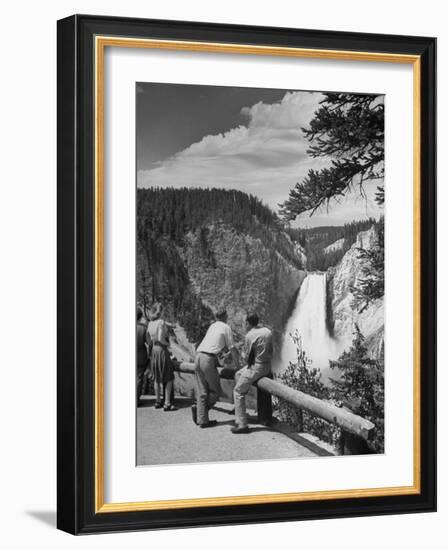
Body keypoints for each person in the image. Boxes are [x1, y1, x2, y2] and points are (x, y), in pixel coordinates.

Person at [193, 309, 240, 428]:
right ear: (225, 316)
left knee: (203, 390)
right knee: (216, 391)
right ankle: (200, 412)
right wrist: (238, 366)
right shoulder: (226, 327)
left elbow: (214, 343)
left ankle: (202, 419)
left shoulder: (212, 326)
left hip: (198, 356)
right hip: (208, 359)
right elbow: (232, 348)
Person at [231, 313, 273, 434]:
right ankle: (240, 410)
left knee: (237, 391)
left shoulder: (250, 335)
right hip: (267, 365)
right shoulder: (267, 331)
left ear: (248, 323)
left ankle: (242, 424)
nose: (244, 325)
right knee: (238, 374)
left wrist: (240, 351)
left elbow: (246, 357)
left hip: (256, 368)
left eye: (245, 323)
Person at [146, 304, 177, 411]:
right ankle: (167, 403)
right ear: (158, 312)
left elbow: (149, 340)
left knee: (157, 377)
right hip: (162, 350)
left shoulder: (150, 323)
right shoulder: (161, 322)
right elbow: (160, 338)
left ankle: (158, 401)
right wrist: (167, 345)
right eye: (161, 311)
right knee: (169, 377)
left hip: (154, 351)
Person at [136, 307, 148, 407]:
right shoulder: (143, 328)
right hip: (140, 355)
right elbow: (148, 342)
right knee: (139, 378)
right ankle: (136, 400)